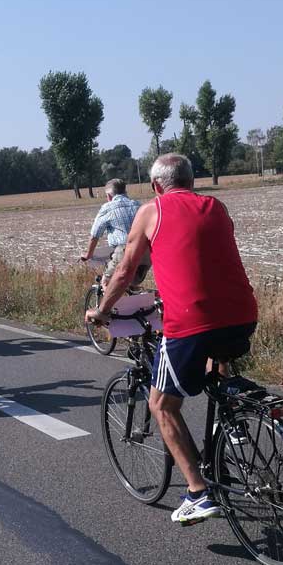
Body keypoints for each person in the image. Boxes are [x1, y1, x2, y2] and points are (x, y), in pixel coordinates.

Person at [86, 153, 258, 526]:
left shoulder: (151, 211)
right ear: (192, 181)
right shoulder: (216, 207)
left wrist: (102, 310)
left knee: (161, 404)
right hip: (243, 316)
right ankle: (233, 425)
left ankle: (198, 492)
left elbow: (125, 271)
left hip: (191, 322)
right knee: (214, 366)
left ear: (155, 186)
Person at [80, 178, 151, 289]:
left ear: (109, 196)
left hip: (124, 251)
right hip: (145, 251)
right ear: (125, 192)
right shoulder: (137, 204)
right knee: (131, 285)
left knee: (106, 282)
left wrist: (88, 255)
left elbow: (95, 235)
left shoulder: (108, 208)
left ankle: (109, 300)